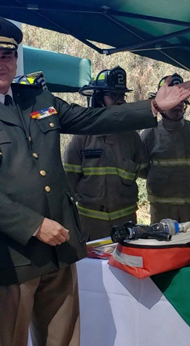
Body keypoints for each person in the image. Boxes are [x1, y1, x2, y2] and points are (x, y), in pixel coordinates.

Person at [0, 14, 190, 346]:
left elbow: (92, 120)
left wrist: (152, 107)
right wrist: (35, 225)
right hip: (9, 258)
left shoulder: (36, 97)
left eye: (5, 55)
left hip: (59, 251)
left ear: (15, 58)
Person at [63, 67, 147, 240]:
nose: (119, 102)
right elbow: (68, 183)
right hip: (90, 225)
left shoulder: (133, 138)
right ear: (99, 98)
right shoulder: (82, 137)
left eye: (121, 96)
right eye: (113, 96)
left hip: (126, 223)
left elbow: (142, 170)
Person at [139, 73, 190, 223]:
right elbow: (142, 169)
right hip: (162, 210)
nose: (177, 105)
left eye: (181, 101)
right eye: (173, 101)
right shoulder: (150, 134)